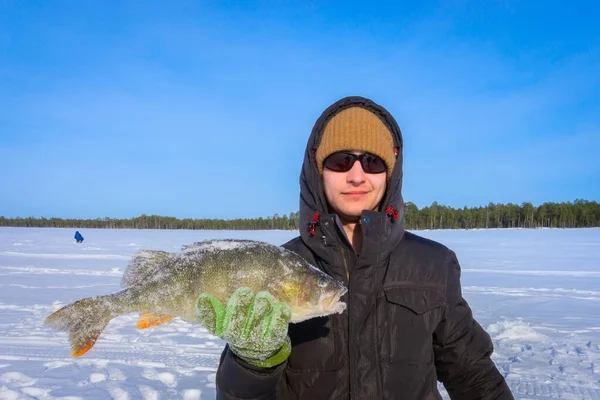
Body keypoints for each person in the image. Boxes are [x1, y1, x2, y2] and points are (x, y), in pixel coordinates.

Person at [198, 96, 513, 399]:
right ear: (318, 170)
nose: (357, 175)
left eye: (372, 162)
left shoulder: (433, 264)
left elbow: (474, 376)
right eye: (341, 161)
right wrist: (252, 362)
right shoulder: (278, 265)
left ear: (390, 173)